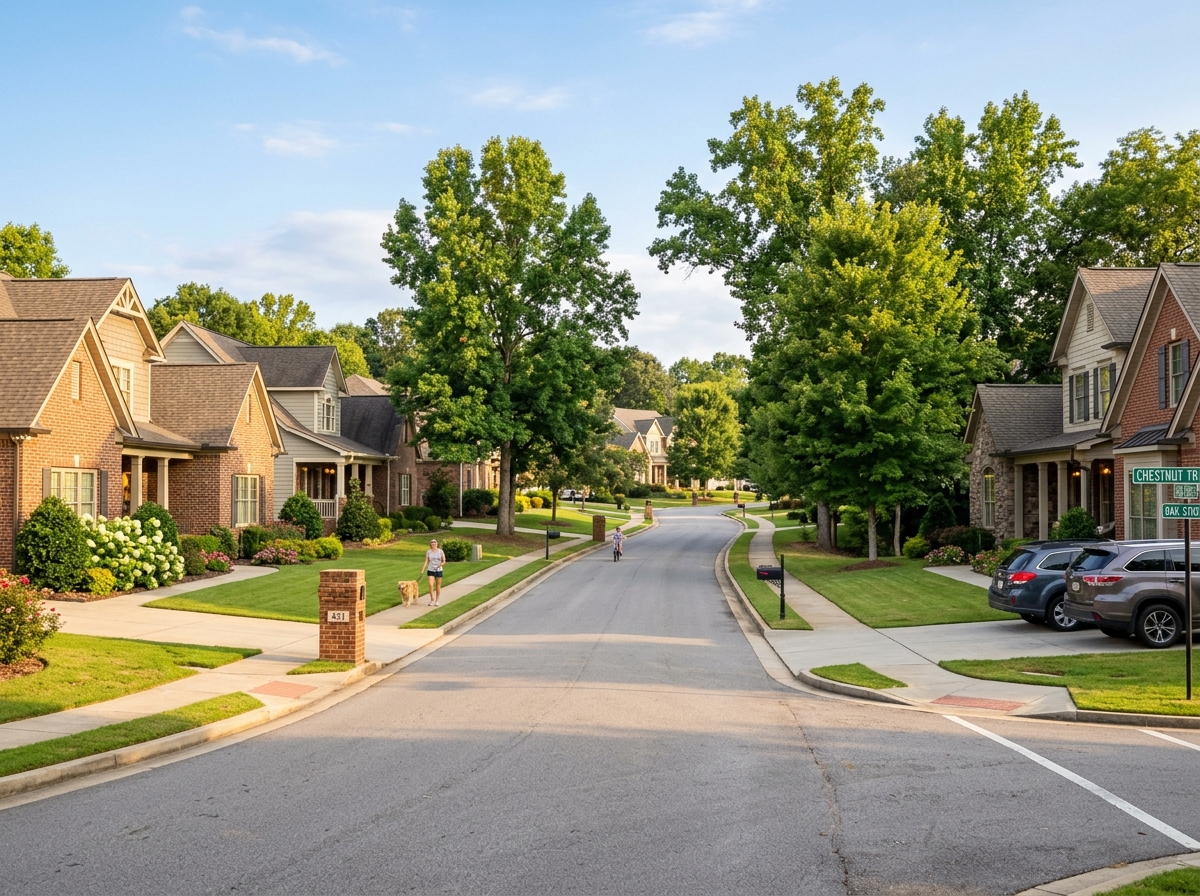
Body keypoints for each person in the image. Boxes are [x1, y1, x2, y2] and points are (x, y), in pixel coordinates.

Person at [420, 538, 447, 606]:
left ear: (437, 544)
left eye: (435, 542)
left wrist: (441, 564)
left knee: (438, 586)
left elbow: (444, 561)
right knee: (430, 584)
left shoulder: (440, 551)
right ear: (430, 544)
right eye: (432, 542)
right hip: (431, 570)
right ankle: (432, 599)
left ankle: (437, 600)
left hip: (438, 570)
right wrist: (423, 569)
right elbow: (426, 561)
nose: (433, 543)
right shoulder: (428, 552)